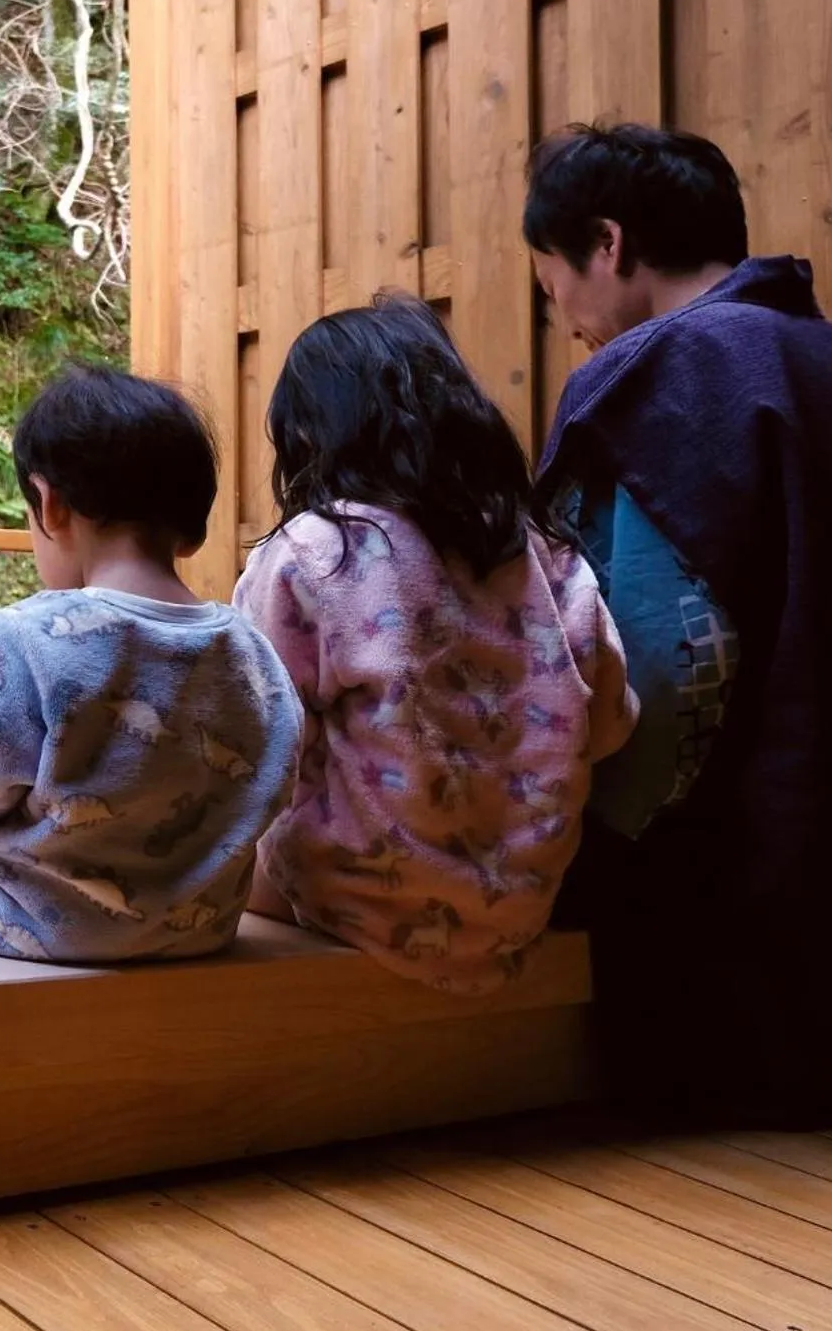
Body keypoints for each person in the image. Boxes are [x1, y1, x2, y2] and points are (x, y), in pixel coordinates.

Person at [525, 122, 832, 1123]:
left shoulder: (649, 381)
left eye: (554, 291)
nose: (570, 325)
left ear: (607, 243)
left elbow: (655, 675)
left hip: (745, 982)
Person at [233, 295, 638, 995]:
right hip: (518, 909)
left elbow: (247, 730)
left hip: (356, 898)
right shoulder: (545, 555)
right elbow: (611, 724)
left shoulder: (318, 552)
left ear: (308, 433)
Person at [0, 365, 302, 962]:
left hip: (26, 926)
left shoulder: (30, 639)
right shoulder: (253, 655)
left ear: (50, 506)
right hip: (194, 932)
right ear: (192, 527)